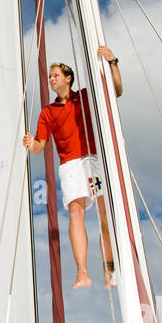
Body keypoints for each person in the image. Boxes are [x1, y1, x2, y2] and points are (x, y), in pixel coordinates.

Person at [23, 47, 123, 290]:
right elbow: (40, 146)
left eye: (56, 74)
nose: (52, 78)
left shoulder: (86, 96)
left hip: (91, 158)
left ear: (68, 78)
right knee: (76, 212)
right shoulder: (47, 112)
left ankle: (109, 269)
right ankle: (82, 272)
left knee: (103, 212)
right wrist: (30, 144)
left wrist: (112, 63)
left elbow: (116, 91)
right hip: (69, 165)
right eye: (50, 76)